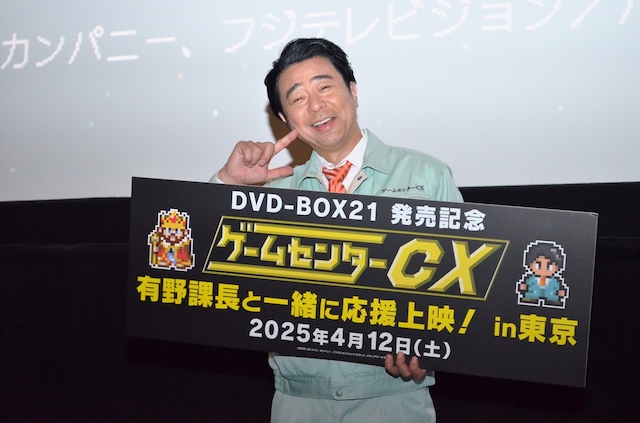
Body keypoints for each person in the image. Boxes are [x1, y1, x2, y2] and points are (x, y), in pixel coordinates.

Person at [211, 38, 463, 423]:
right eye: (297, 98)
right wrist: (226, 184)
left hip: (392, 398)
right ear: (284, 119)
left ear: (353, 92)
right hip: (299, 403)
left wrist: (433, 349)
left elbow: (464, 290)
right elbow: (203, 268)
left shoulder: (426, 175)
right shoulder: (272, 193)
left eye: (325, 87)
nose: (315, 105)